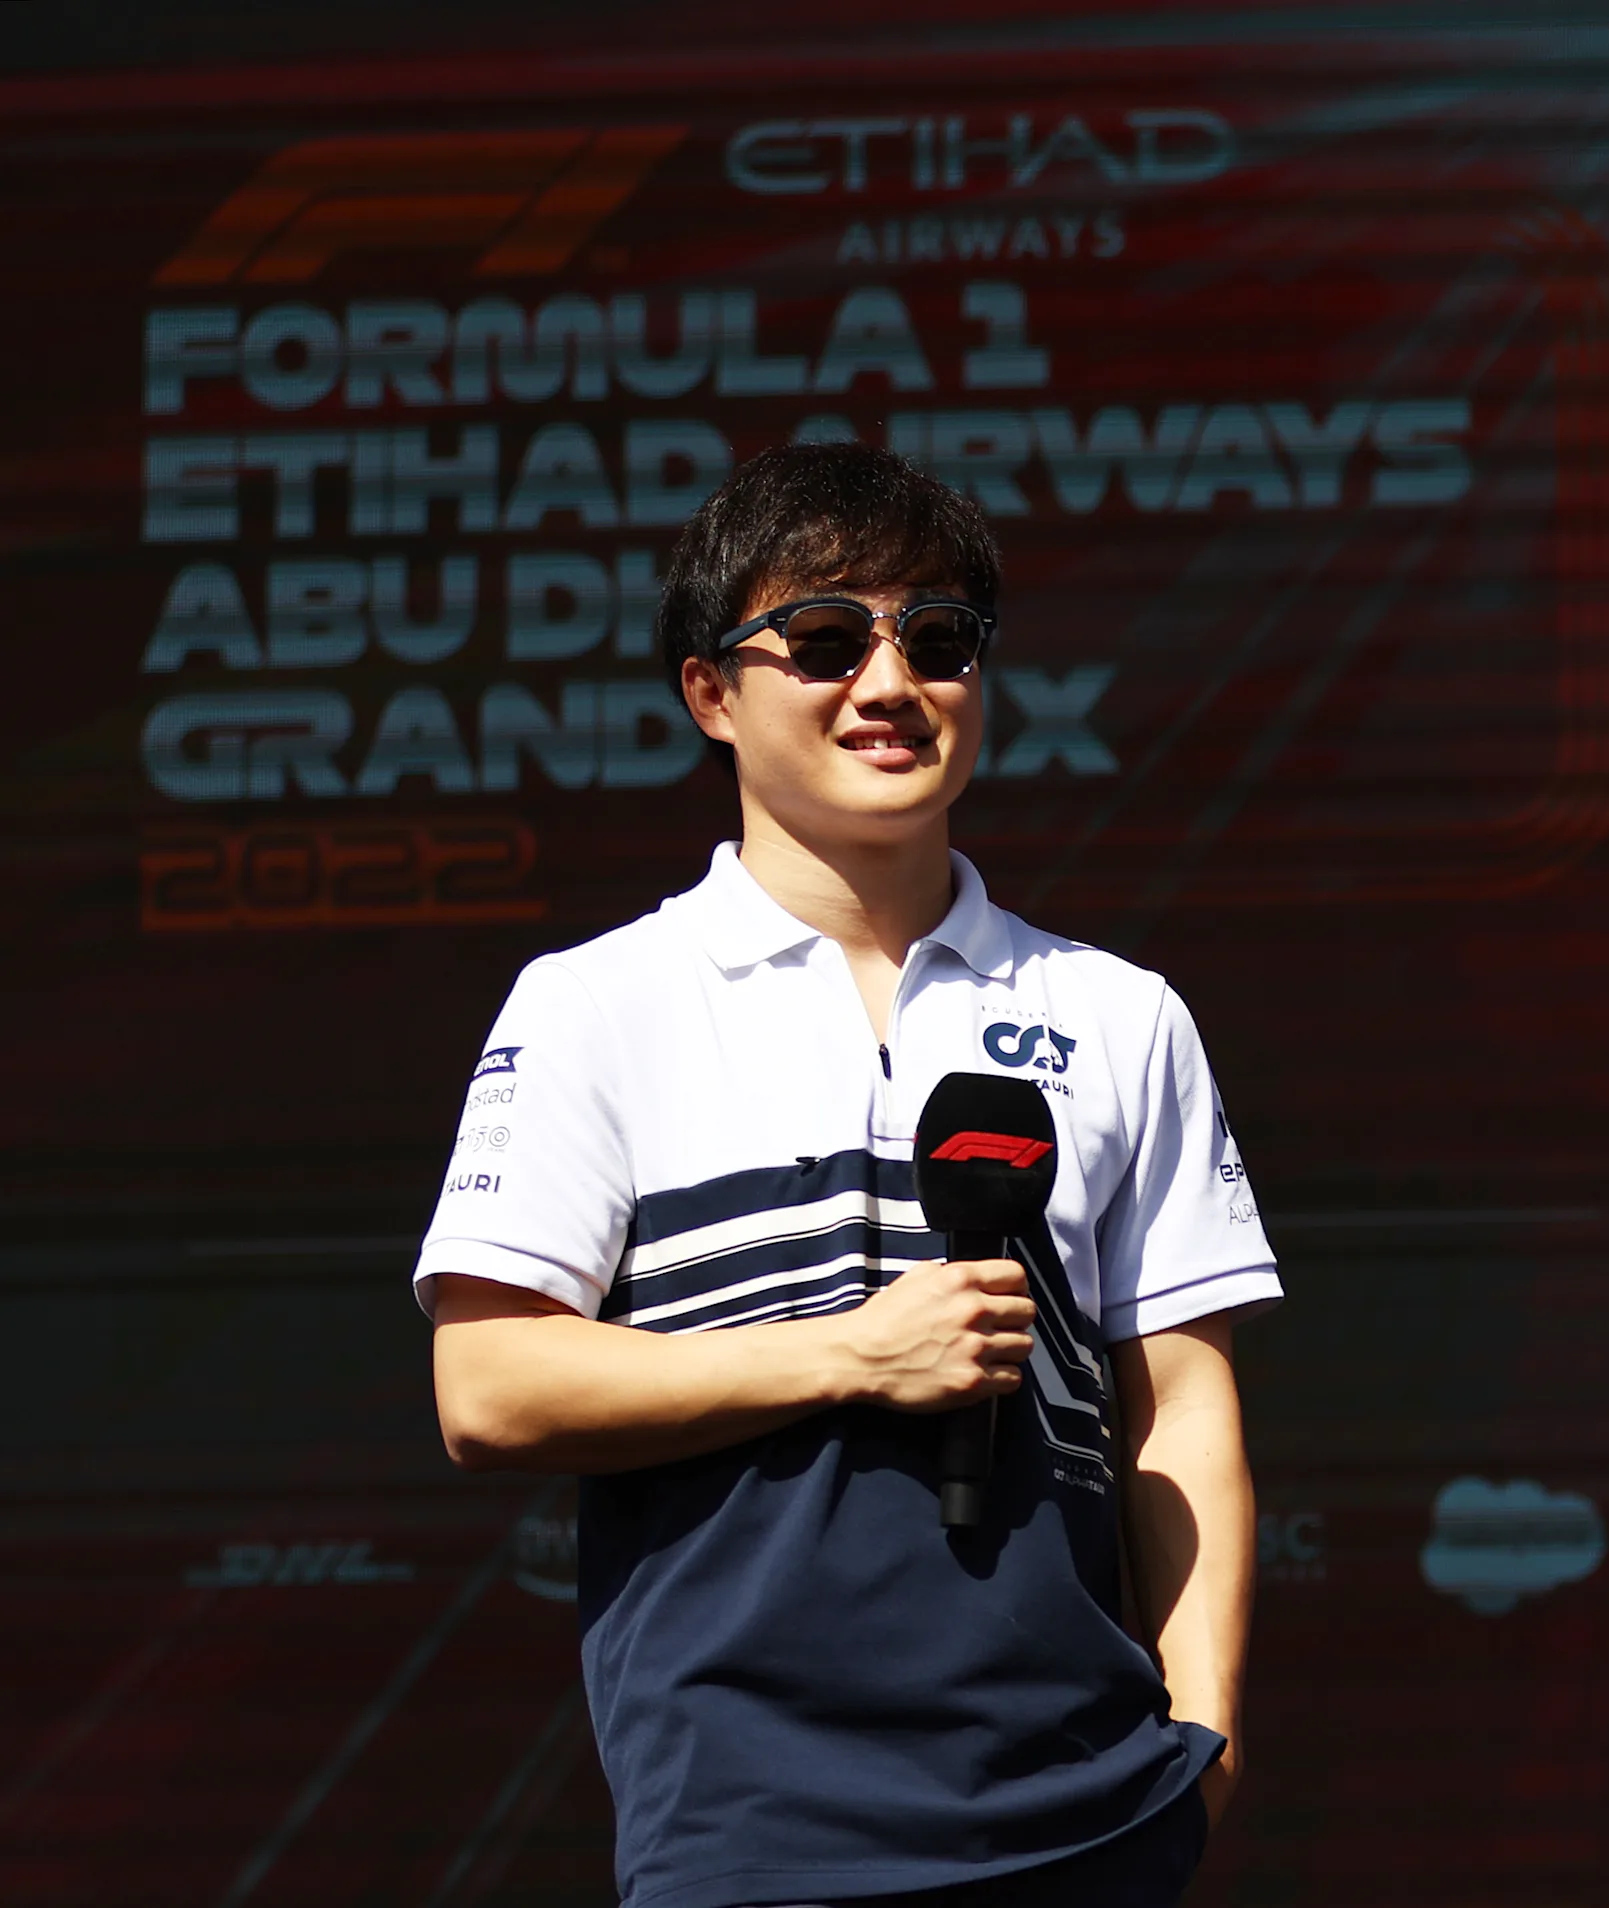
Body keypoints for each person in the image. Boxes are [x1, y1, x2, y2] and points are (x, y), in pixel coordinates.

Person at [418, 443, 1279, 1908]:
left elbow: (1180, 1403)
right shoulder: (598, 1001)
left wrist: (1206, 1736)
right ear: (710, 692)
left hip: (1087, 1812)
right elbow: (490, 1390)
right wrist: (849, 1357)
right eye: (822, 641)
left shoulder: (1120, 1013)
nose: (890, 685)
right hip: (750, 1816)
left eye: (937, 641)